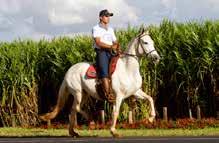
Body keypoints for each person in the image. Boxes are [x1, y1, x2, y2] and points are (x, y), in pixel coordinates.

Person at [92, 9, 119, 103]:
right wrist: (111, 47)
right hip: (102, 52)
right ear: (101, 17)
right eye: (106, 16)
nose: (108, 18)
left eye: (109, 16)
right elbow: (98, 42)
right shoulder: (96, 28)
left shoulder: (110, 29)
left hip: (111, 51)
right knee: (104, 71)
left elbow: (115, 41)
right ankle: (108, 94)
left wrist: (115, 46)